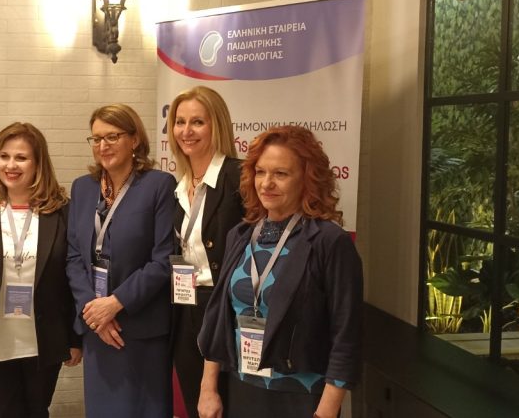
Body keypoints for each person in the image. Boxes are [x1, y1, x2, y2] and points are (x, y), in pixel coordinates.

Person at [197, 125, 362, 418]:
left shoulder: (328, 242)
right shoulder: (240, 235)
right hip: (241, 388)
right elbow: (219, 318)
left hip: (302, 397)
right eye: (260, 172)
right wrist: (208, 389)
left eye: (281, 174)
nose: (267, 183)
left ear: (307, 179)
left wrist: (326, 412)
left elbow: (346, 335)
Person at [0, 122, 82, 418]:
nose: (10, 165)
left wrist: (75, 338)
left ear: (38, 163)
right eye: (4, 156)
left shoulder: (62, 211)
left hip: (45, 339)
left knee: (37, 412)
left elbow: (71, 279)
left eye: (21, 158)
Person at [65, 104, 177, 418]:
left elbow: (164, 259)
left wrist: (115, 303)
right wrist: (93, 310)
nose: (103, 145)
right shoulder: (82, 188)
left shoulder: (158, 185)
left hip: (140, 327)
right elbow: (74, 256)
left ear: (134, 139)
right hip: (97, 328)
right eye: (97, 138)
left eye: (112, 137)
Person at [166, 86, 244, 418]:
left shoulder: (239, 177)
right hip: (186, 306)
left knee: (223, 405)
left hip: (226, 309)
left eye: (197, 122)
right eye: (180, 122)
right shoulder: (180, 185)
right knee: (195, 404)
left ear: (217, 125)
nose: (186, 131)